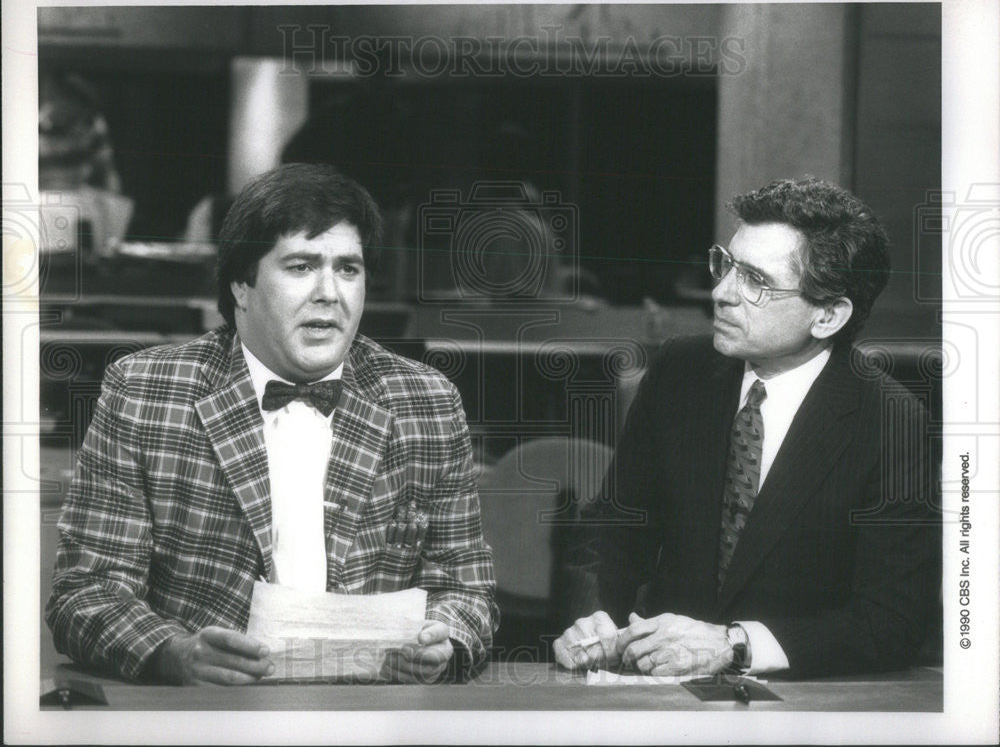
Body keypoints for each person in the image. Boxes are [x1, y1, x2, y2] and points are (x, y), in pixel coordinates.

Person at [46, 163, 498, 685]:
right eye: (302, 266)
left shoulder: (427, 402)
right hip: (209, 720)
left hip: (374, 717)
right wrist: (174, 653)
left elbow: (468, 591)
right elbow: (86, 592)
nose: (330, 292)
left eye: (348, 269)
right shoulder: (144, 392)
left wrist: (442, 640)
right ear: (242, 284)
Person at [554, 177, 940, 679]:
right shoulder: (679, 371)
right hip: (655, 687)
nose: (720, 293)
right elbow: (614, 529)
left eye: (755, 281)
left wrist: (734, 644)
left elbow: (892, 622)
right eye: (726, 265)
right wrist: (593, 618)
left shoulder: (890, 420)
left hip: (803, 707)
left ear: (827, 315)